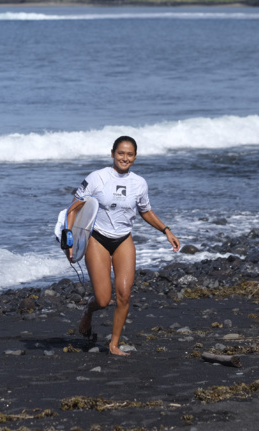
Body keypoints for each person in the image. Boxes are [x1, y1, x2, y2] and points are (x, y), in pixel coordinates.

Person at [65, 136, 180, 356]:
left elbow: (145, 211)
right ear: (112, 153)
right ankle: (89, 310)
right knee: (103, 300)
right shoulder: (97, 177)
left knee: (124, 295)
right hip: (97, 238)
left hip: (123, 239)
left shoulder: (139, 183)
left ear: (135, 157)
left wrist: (166, 230)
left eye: (129, 154)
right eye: (120, 153)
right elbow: (73, 208)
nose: (124, 158)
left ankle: (114, 344)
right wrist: (69, 239)